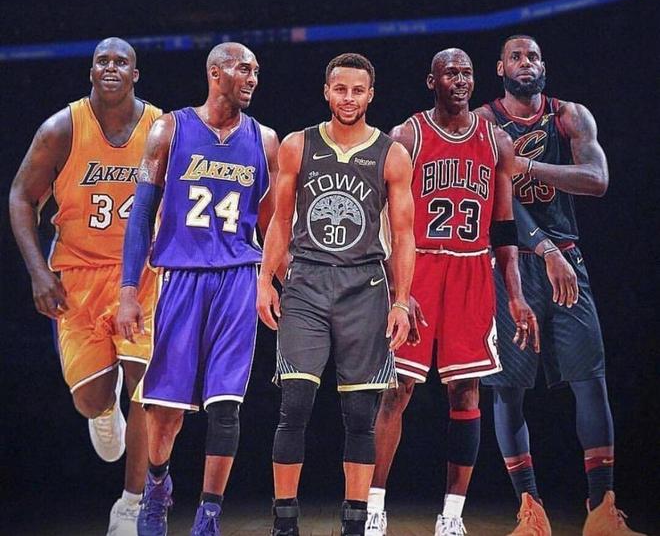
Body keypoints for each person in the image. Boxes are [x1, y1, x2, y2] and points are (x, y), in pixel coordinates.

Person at [365, 48, 538, 536]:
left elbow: (503, 228)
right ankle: (373, 506)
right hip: (419, 265)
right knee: (397, 388)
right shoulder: (409, 134)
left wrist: (516, 295)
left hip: (471, 270)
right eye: (450, 73)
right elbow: (384, 217)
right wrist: (398, 288)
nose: (460, 80)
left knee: (466, 391)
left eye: (467, 73)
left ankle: (452, 515)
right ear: (432, 81)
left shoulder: (496, 140)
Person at [477, 34, 645, 536]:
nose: (525, 63)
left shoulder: (570, 116)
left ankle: (601, 510)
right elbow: (498, 199)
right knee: (508, 390)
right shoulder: (485, 123)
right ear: (500, 68)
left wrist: (526, 165)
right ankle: (530, 511)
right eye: (515, 57)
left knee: (590, 380)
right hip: (511, 262)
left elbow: (597, 178)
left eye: (532, 56)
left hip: (567, 259)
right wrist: (545, 248)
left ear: (543, 65)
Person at [116, 42, 278, 536]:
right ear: (215, 73)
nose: (253, 78)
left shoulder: (265, 140)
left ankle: (209, 513)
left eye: (257, 71)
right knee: (166, 409)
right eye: (243, 69)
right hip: (180, 277)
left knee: (226, 403)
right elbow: (141, 214)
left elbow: (272, 226)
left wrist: (275, 281)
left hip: (237, 279)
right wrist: (128, 290)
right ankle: (157, 486)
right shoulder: (169, 129)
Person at [257, 53, 415, 536]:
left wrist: (401, 301)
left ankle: (354, 525)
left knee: (361, 415)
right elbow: (280, 220)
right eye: (340, 89)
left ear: (371, 95)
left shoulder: (391, 153)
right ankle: (285, 523)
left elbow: (404, 235)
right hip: (306, 282)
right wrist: (265, 281)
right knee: (295, 405)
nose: (349, 98)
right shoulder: (297, 145)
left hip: (365, 286)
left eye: (357, 90)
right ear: (327, 91)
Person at [9, 37, 161, 535]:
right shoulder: (61, 128)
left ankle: (131, 505)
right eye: (103, 61)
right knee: (89, 399)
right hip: (78, 275)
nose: (111, 67)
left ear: (135, 74)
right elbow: (21, 196)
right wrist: (38, 271)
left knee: (147, 388)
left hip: (141, 276)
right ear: (91, 72)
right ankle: (103, 408)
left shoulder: (161, 128)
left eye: (122, 61)